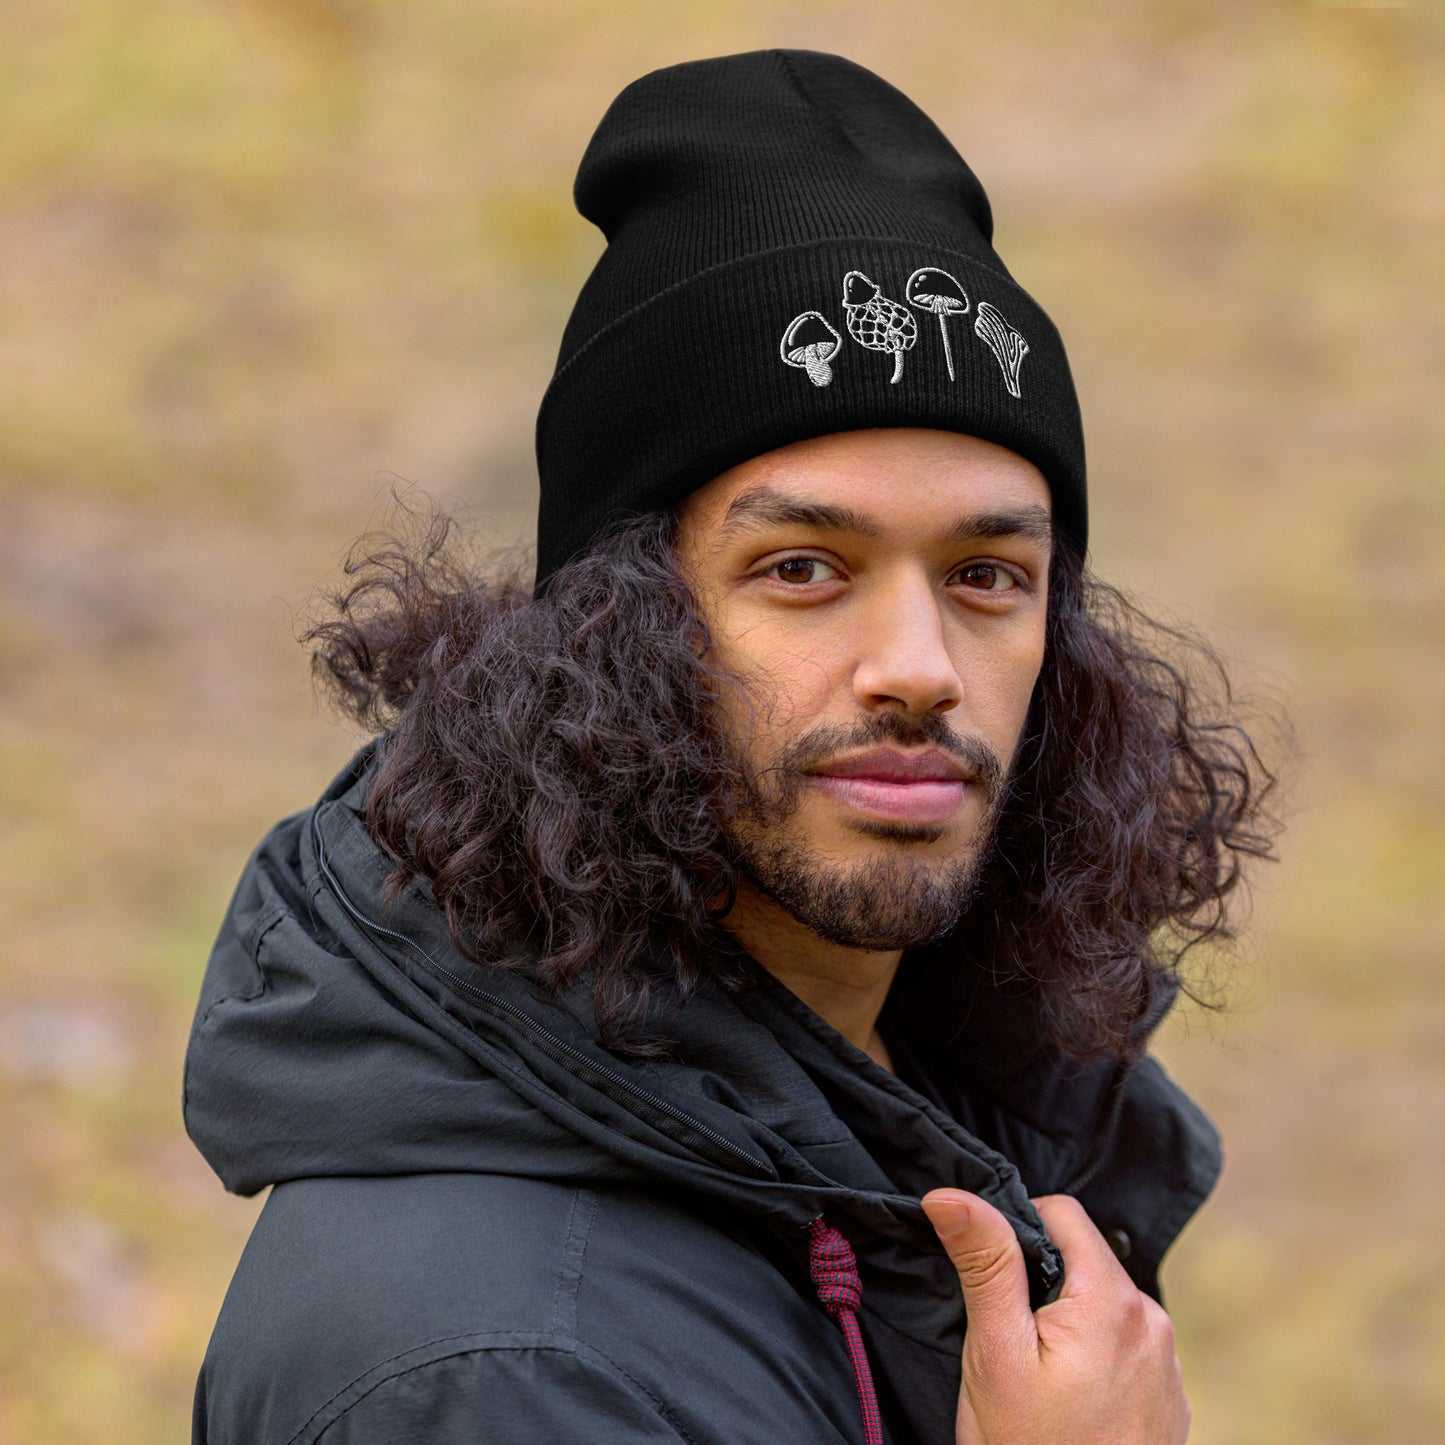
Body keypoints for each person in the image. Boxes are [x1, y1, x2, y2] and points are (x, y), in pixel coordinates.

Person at [185, 50, 1278, 1444]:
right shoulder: (501, 1368)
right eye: (804, 568)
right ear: (612, 628)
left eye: (986, 575)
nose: (919, 669)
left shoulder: (921, 1107)